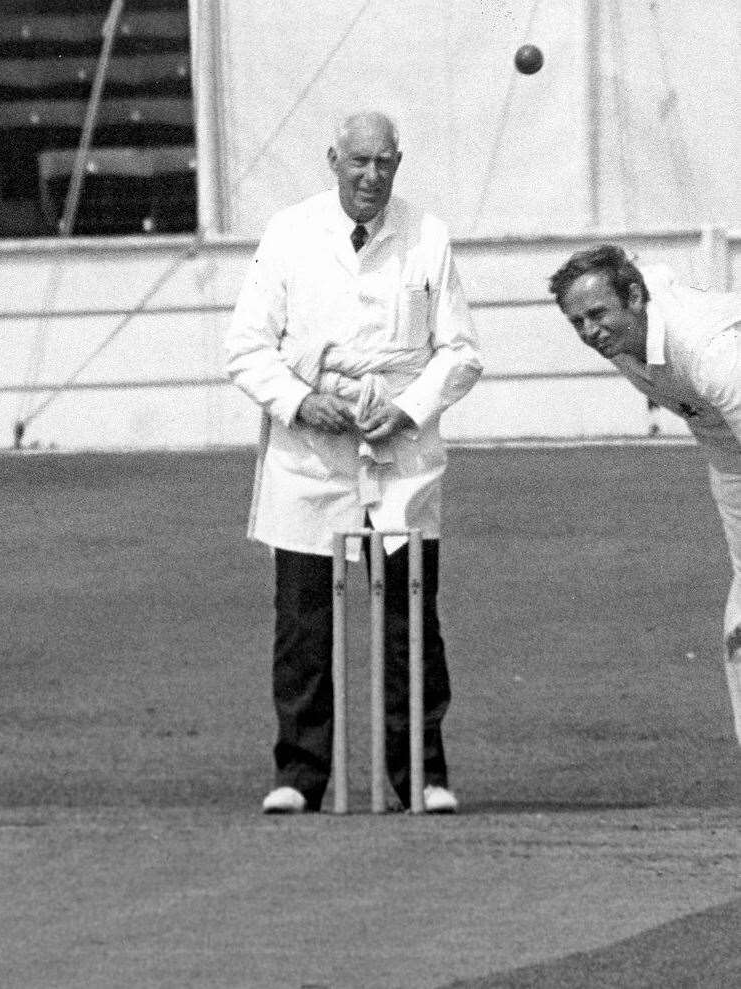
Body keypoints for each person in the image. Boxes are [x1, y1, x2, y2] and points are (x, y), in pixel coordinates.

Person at [224, 110, 482, 815]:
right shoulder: (289, 232)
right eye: (359, 162)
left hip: (399, 449)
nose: (372, 177)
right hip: (311, 455)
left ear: (400, 163)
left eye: (386, 164)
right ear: (333, 158)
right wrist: (302, 402)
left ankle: (421, 775)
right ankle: (300, 774)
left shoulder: (428, 235)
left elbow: (460, 352)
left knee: (410, 619)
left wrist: (407, 409)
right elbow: (246, 348)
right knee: (304, 620)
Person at [548, 245, 741, 743]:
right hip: (724, 446)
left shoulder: (709, 350)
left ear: (635, 298)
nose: (590, 331)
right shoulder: (627, 325)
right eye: (577, 323)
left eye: (597, 314)